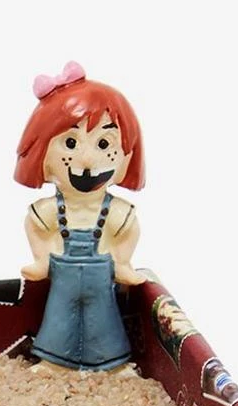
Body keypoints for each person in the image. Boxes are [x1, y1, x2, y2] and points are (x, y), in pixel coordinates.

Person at [14, 63, 147, 372]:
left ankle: (111, 365)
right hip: (63, 277)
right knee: (59, 319)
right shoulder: (50, 210)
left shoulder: (116, 211)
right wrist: (42, 259)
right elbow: (35, 225)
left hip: (101, 277)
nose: (86, 160)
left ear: (127, 153)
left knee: (104, 321)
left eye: (104, 144)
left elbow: (129, 230)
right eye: (71, 143)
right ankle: (54, 363)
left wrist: (123, 262)